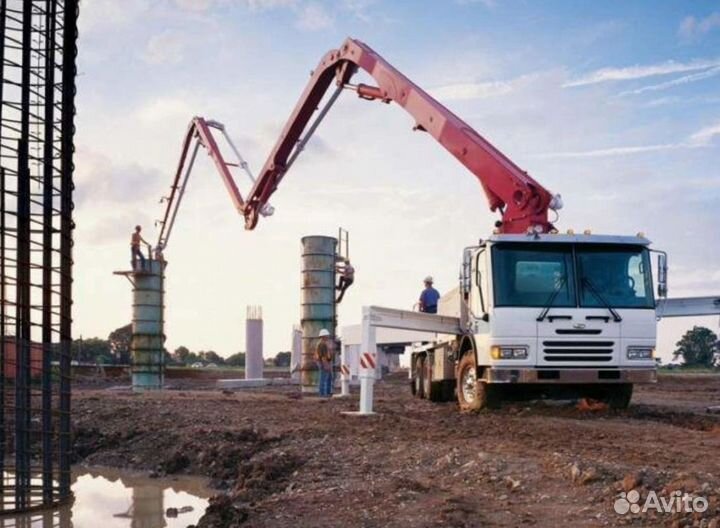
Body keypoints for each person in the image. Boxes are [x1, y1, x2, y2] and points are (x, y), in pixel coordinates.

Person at [314, 328, 334, 397]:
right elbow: (323, 356)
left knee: (327, 378)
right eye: (327, 335)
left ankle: (326, 393)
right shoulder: (322, 344)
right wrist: (326, 365)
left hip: (323, 362)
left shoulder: (322, 343)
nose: (328, 337)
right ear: (324, 336)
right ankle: (323, 394)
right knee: (324, 379)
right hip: (323, 363)